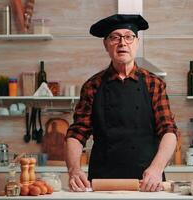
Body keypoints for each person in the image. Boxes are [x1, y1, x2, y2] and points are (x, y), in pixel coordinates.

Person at [65, 14, 178, 192]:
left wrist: (157, 169)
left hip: (148, 181)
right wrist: (74, 170)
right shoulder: (92, 86)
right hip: (102, 182)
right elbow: (77, 132)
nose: (122, 43)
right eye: (115, 37)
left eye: (128, 36)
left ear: (137, 42)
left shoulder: (153, 84)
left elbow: (169, 131)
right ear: (105, 44)